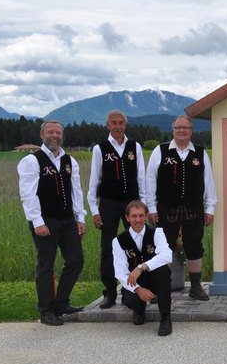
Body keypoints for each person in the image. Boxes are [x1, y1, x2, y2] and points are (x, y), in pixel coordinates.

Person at [17, 120, 86, 326]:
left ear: (61, 135)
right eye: (50, 132)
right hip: (45, 220)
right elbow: (27, 194)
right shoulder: (32, 161)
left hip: (67, 219)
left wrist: (80, 217)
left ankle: (61, 303)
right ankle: (46, 310)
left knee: (75, 261)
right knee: (46, 266)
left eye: (58, 132)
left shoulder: (69, 161)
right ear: (42, 135)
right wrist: (37, 221)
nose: (54, 135)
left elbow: (76, 191)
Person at [146, 115, 217, 301]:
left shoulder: (200, 153)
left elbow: (208, 182)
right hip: (166, 208)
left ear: (191, 131)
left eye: (186, 127)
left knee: (194, 247)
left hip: (194, 208)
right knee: (164, 248)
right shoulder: (160, 150)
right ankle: (161, 288)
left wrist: (210, 208)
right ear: (173, 129)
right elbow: (150, 180)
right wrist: (151, 208)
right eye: (179, 127)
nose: (182, 130)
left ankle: (195, 287)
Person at [87, 109, 146, 309]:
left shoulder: (134, 147)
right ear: (108, 126)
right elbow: (94, 182)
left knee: (137, 245)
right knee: (108, 248)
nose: (118, 126)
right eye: (114, 123)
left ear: (125, 125)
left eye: (121, 123)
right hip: (109, 203)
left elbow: (141, 179)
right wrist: (95, 210)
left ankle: (138, 287)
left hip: (131, 202)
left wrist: (143, 206)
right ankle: (110, 292)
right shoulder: (99, 149)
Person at [112, 200, 172, 336]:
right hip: (136, 282)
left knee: (163, 270)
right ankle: (139, 309)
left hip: (154, 278)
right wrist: (138, 289)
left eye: (141, 216)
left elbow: (167, 256)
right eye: (134, 216)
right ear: (127, 218)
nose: (137, 220)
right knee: (130, 300)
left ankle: (165, 318)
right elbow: (120, 272)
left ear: (146, 216)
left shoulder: (157, 232)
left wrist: (141, 267)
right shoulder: (118, 241)